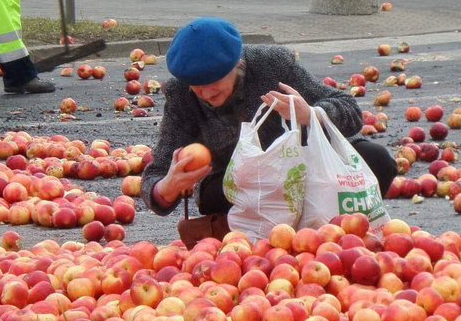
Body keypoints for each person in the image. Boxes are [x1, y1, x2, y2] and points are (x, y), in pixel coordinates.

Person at [141, 17, 397, 230]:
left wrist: (310, 114)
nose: (206, 95)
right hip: (246, 185)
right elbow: (155, 175)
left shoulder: (272, 64)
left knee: (377, 159)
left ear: (237, 64)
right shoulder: (180, 95)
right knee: (212, 195)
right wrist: (168, 187)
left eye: (214, 85)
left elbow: (351, 111)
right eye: (197, 88)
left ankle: (345, 229)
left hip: (304, 166)